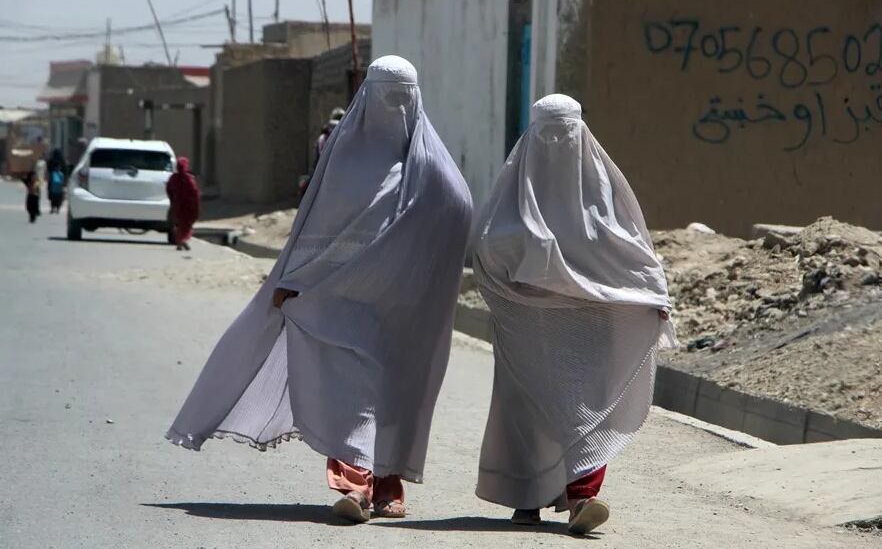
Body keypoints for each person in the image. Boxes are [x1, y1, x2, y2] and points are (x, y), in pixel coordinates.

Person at [166, 56, 472, 523]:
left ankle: (386, 485)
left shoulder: (431, 167)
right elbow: (315, 226)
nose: (394, 105)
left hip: (401, 309)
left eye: (402, 95)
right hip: (340, 301)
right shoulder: (343, 159)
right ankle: (355, 483)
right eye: (387, 94)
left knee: (394, 394)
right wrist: (293, 282)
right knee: (352, 391)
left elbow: (456, 216)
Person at [471, 94, 677, 535]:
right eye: (548, 131)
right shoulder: (513, 195)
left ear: (580, 133)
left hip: (588, 326)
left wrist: (652, 295)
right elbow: (485, 251)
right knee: (526, 411)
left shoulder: (603, 193)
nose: (557, 142)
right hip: (526, 324)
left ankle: (582, 497)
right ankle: (527, 497)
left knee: (583, 408)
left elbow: (632, 252)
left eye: (564, 131)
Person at [165, 156, 200, 251]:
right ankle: (182, 240)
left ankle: (181, 241)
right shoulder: (189, 179)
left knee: (178, 223)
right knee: (186, 224)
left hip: (178, 205)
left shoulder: (173, 178)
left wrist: (173, 200)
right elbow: (195, 193)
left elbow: (168, 190)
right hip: (187, 206)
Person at [47, 149, 65, 214]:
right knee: (59, 196)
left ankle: (52, 208)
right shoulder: (62, 161)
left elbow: (48, 169)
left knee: (52, 196)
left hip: (52, 181)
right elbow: (65, 171)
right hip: (60, 182)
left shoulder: (51, 160)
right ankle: (58, 208)